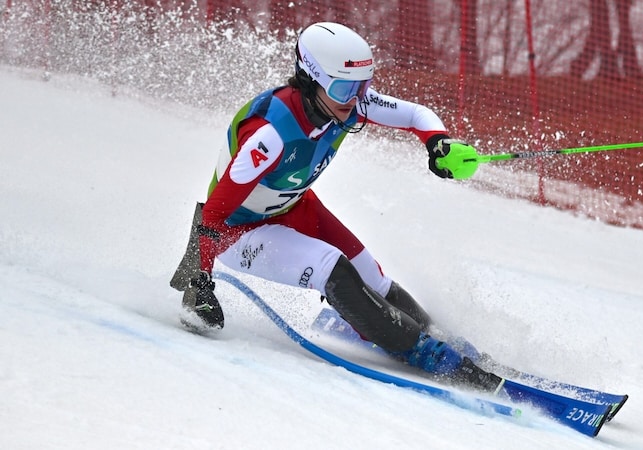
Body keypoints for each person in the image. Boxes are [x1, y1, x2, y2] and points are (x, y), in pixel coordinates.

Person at [170, 22, 500, 391]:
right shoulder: (270, 135)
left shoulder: (345, 103)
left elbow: (414, 115)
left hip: (294, 207)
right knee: (335, 270)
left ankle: (444, 342)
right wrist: (200, 282)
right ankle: (427, 355)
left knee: (373, 278)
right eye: (346, 88)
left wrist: (437, 142)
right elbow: (214, 212)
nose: (356, 99)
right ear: (311, 81)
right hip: (238, 231)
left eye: (364, 87)